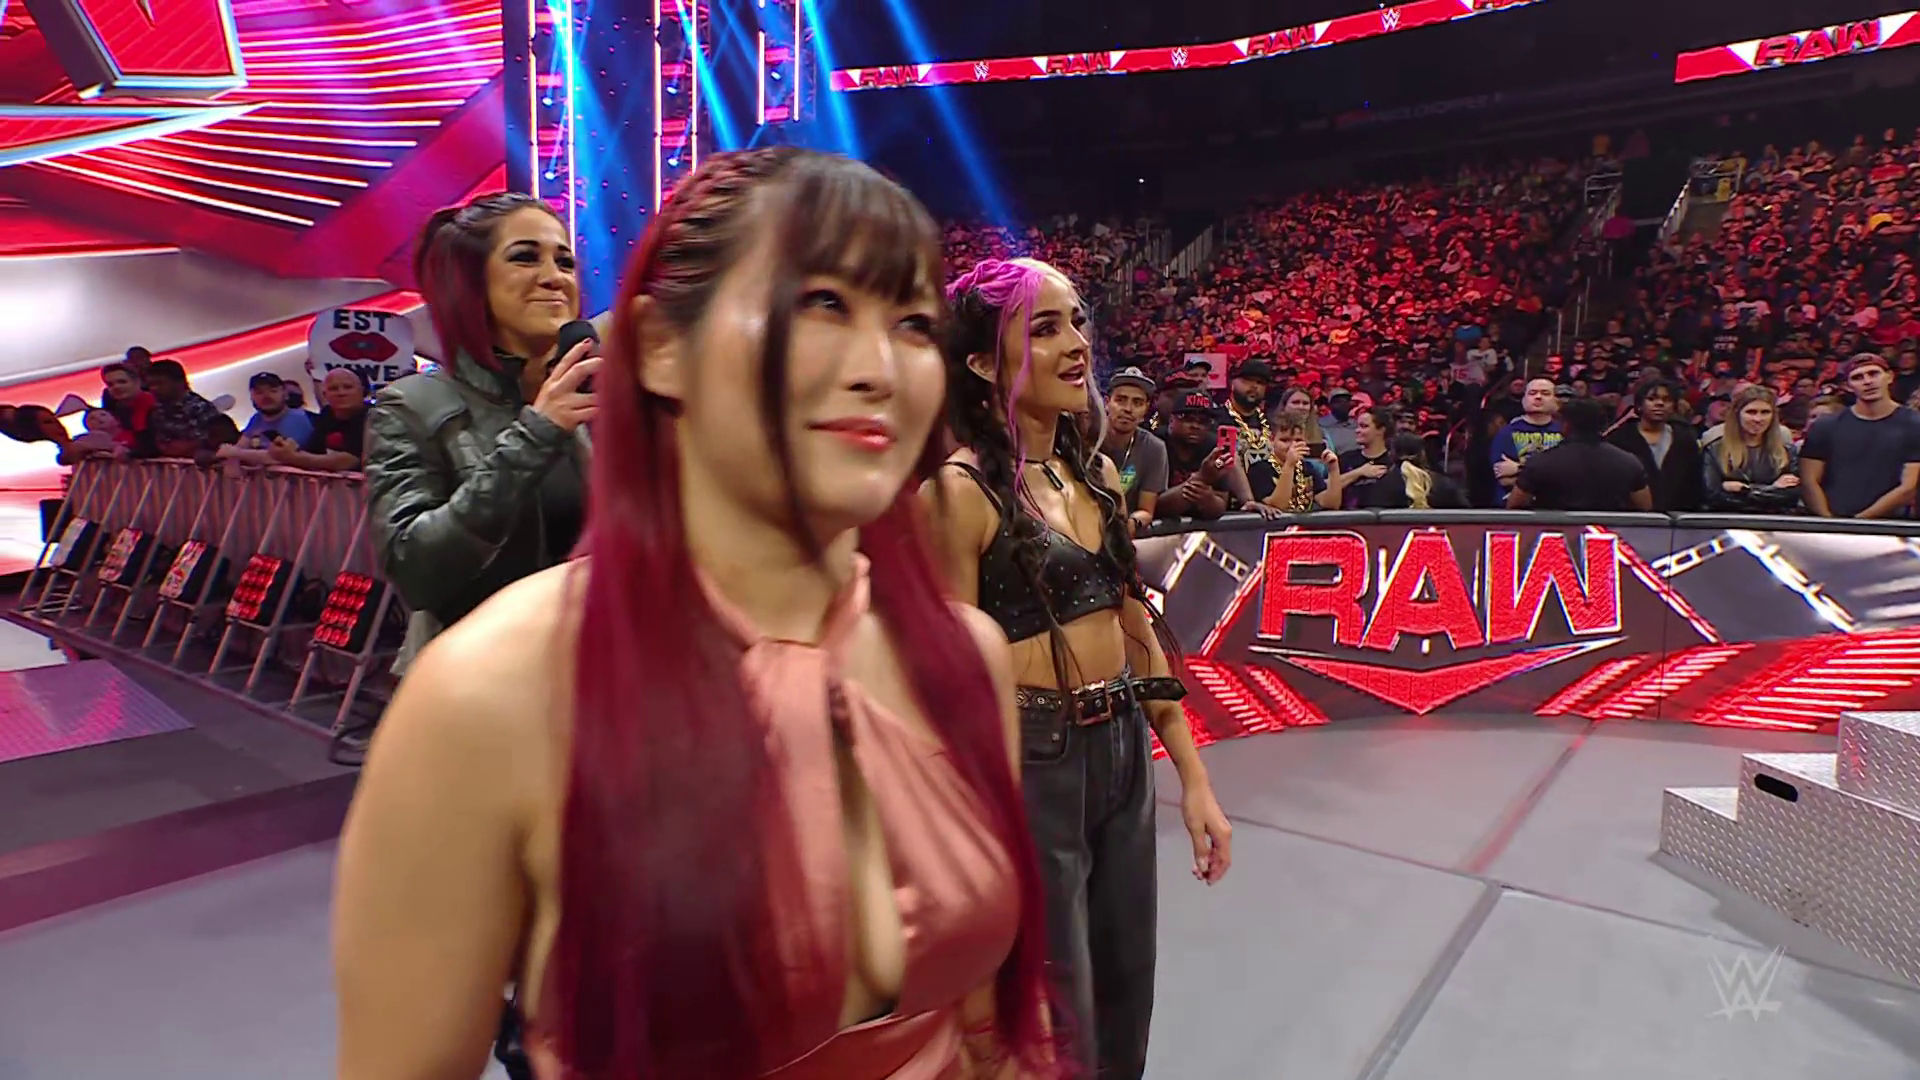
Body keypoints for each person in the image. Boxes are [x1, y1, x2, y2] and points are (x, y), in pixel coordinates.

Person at [334, 149, 1058, 1080]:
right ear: (660, 347)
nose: (880, 368)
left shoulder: (964, 655)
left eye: (913, 324)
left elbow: (992, 1024)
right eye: (820, 302)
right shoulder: (487, 698)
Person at [927, 256, 1232, 1080]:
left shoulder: (1096, 477)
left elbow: (1137, 628)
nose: (1077, 345)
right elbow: (949, 692)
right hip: (1031, 764)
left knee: (1128, 988)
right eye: (1045, 328)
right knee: (1053, 1007)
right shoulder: (959, 494)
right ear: (983, 363)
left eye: (1078, 322)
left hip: (1124, 747)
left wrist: (1193, 777)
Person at [364, 191, 595, 663]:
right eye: (525, 257)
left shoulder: (595, 399)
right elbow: (415, 569)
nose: (554, 277)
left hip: (595, 673)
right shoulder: (412, 406)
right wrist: (536, 434)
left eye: (565, 261)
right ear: (469, 281)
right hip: (476, 679)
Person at [1800, 353, 1920, 518]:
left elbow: (1908, 487)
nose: (1867, 381)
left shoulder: (1914, 424)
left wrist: (1859, 522)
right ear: (1848, 386)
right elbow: (1809, 481)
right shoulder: (1826, 426)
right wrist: (1829, 521)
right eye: (1858, 377)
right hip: (1832, 522)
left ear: (1889, 377)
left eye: (1873, 373)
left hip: (1890, 525)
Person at [1508, 396, 1651, 511]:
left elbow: (1515, 508)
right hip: (1611, 534)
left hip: (1557, 534)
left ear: (1566, 425)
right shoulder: (1629, 462)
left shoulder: (1540, 463)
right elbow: (1645, 509)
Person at [1703, 384, 1801, 514]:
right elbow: (1713, 496)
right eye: (1751, 412)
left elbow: (1790, 497)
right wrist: (1773, 488)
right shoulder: (1715, 449)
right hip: (1728, 519)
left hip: (1773, 520)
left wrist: (1744, 490)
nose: (1758, 419)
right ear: (1737, 414)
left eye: (1765, 412)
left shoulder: (1787, 451)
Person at [1607, 379, 1703, 511]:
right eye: (1651, 399)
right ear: (1639, 405)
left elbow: (1695, 484)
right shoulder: (1620, 438)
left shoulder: (1685, 440)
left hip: (1677, 516)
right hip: (1632, 516)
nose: (1659, 404)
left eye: (1666, 400)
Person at [1100, 366, 1167, 531]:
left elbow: (1146, 511)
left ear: (1146, 409)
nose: (1128, 409)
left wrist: (1130, 524)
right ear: (1107, 403)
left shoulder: (1154, 448)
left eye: (1137, 403)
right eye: (1121, 400)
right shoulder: (1085, 437)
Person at [271, 368, 368, 473]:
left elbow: (349, 461)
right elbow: (313, 450)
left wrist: (293, 457)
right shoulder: (327, 414)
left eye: (348, 387)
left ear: (362, 391)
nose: (341, 393)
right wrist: (286, 449)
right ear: (326, 395)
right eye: (333, 389)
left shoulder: (373, 417)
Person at [1491, 378, 1563, 504]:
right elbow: (1504, 478)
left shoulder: (1565, 432)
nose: (1538, 397)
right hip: (1513, 506)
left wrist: (1519, 468)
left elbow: (1568, 475)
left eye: (1545, 393)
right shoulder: (1506, 433)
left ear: (1555, 400)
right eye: (1532, 393)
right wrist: (1551, 478)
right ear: (1524, 399)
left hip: (1556, 506)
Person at [1375, 432, 1468, 510]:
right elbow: (1465, 514)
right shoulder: (1443, 484)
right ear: (1422, 454)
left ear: (1392, 454)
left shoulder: (1383, 484)